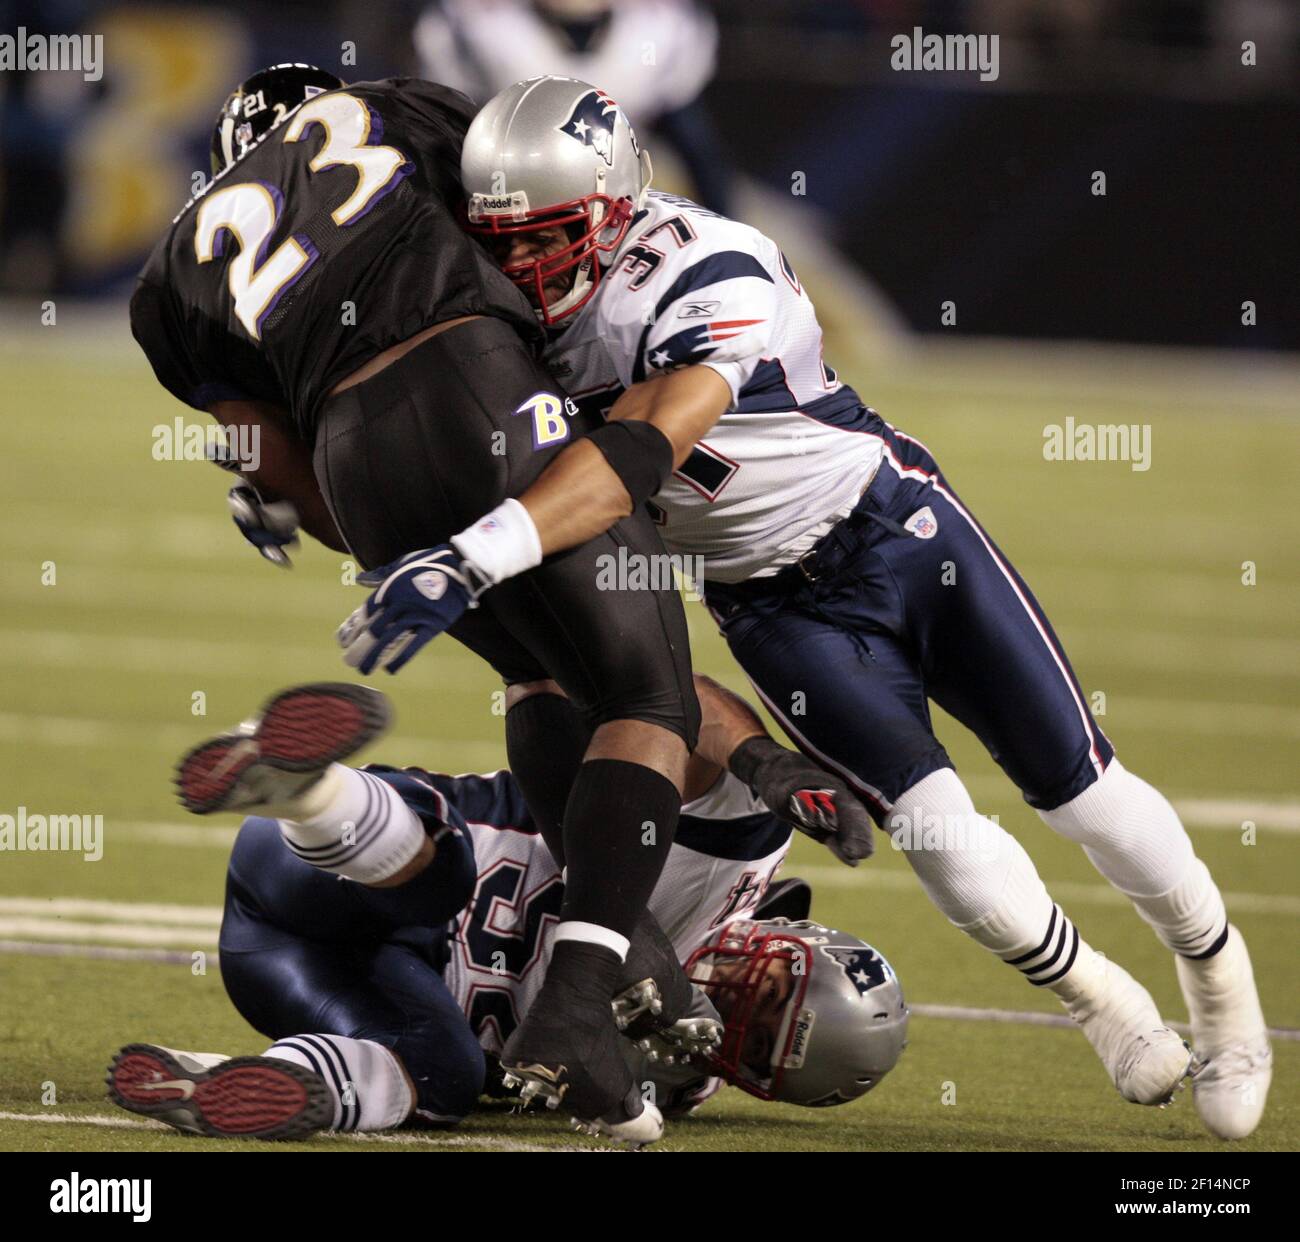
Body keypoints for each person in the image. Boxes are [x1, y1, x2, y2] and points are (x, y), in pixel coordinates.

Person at [379, 73, 1265, 1139]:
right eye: (503, 239)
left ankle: (1221, 985)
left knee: (1082, 793)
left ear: (612, 207)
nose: (523, 264)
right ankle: (1100, 1003)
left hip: (895, 537)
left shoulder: (711, 269)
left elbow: (642, 445)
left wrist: (474, 554)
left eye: (548, 236)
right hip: (768, 606)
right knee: (935, 833)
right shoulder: (506, 300)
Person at [129, 63, 710, 1142]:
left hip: (351, 457)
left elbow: (276, 467)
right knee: (647, 695)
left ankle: (632, 964)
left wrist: (322, 520)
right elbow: (517, 225)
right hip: (473, 375)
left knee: (540, 672)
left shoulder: (168, 279)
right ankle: (588, 1002)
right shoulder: (392, 104)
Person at [106, 679, 890, 1141]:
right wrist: (763, 759)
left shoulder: (671, 1085)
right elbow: (661, 697)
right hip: (335, 864)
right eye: (776, 989)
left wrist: (621, 1105)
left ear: (753, 1078)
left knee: (443, 1079)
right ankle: (304, 789)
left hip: (302, 970)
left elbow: (576, 1086)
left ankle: (228, 1082)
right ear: (787, 939)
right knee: (439, 878)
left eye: (762, 1039)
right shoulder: (734, 858)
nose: (743, 1005)